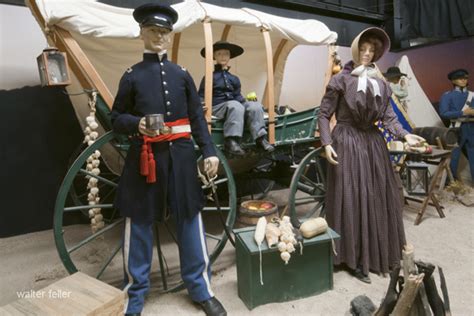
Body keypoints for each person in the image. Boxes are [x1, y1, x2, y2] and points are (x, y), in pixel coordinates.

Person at [110, 4, 226, 316]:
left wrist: (210, 151)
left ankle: (201, 290)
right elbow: (115, 117)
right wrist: (135, 124)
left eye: (164, 32)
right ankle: (133, 298)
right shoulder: (131, 76)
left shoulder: (182, 75)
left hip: (182, 159)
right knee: (140, 224)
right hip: (145, 160)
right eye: (153, 31)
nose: (159, 36)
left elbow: (197, 120)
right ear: (142, 33)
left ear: (169, 34)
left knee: (190, 220)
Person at [318, 27, 425, 283]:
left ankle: (375, 253)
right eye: (363, 49)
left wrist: (405, 135)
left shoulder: (381, 84)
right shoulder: (341, 80)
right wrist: (326, 142)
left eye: (371, 50)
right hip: (346, 140)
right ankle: (350, 258)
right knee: (351, 197)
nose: (367, 54)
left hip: (373, 144)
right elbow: (323, 114)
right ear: (355, 50)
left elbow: (388, 118)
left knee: (378, 195)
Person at [198, 41, 274, 156]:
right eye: (219, 54)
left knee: (255, 105)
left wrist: (247, 103)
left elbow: (238, 96)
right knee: (235, 105)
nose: (223, 56)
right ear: (214, 56)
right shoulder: (209, 77)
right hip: (217, 107)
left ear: (229, 56)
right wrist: (200, 104)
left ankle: (260, 139)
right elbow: (201, 95)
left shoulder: (234, 78)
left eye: (226, 54)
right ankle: (231, 142)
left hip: (234, 105)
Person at [439, 68, 474, 182]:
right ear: (453, 81)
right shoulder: (447, 96)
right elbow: (444, 113)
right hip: (457, 129)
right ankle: (451, 184)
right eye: (460, 78)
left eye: (465, 78)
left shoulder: (472, 95)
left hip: (472, 128)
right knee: (453, 158)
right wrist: (463, 112)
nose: (463, 80)